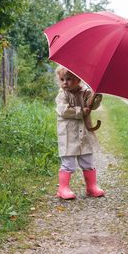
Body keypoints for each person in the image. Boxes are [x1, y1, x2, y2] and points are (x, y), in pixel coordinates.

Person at [55, 65, 105, 199]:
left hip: (84, 133)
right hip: (68, 134)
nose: (65, 82)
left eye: (69, 79)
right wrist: (80, 111)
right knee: (68, 162)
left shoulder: (86, 92)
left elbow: (93, 104)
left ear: (78, 79)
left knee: (87, 160)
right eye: (62, 79)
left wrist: (96, 95)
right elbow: (63, 110)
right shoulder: (62, 95)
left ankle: (91, 187)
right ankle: (63, 188)